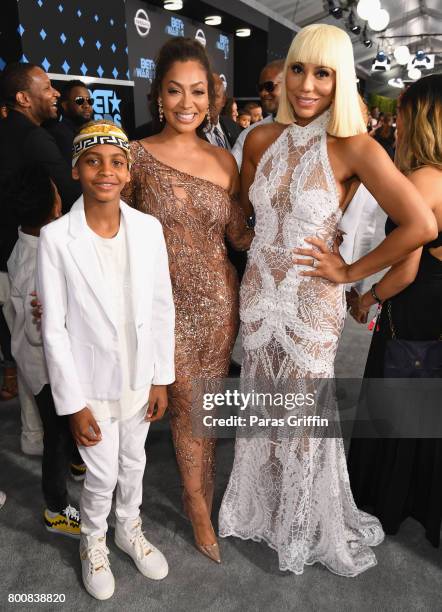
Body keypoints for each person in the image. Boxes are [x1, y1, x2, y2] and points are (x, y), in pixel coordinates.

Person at [219, 23, 436, 577]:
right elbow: (245, 216)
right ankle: (264, 513)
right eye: (297, 69)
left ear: (341, 81)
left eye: (323, 73)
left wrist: (350, 272)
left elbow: (417, 224)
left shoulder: (357, 147)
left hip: (313, 305)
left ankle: (302, 524)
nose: (306, 84)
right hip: (258, 297)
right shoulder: (262, 139)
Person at [122, 37, 253, 564]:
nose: (186, 102)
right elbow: (108, 232)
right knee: (184, 407)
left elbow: (240, 239)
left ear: (212, 97)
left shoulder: (225, 161)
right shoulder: (133, 157)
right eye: (174, 90)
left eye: (197, 91)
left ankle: (198, 488)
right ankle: (197, 501)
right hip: (162, 309)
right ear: (158, 96)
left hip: (221, 306)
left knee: (205, 409)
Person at [37, 120, 175, 600]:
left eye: (117, 162)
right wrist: (72, 403)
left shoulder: (148, 229)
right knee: (101, 472)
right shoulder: (57, 239)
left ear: (129, 172)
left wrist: (162, 377)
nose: (105, 171)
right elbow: (53, 327)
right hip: (89, 383)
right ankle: (93, 539)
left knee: (134, 461)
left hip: (139, 376)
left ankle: (127, 528)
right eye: (93, 161)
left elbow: (161, 305)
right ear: (76, 169)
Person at [347, 74, 442, 548]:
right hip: (434, 306)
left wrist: (367, 295)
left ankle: (386, 499)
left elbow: (404, 272)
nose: (396, 123)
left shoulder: (423, 182)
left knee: (399, 405)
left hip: (416, 307)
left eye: (403, 113)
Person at [5, 164, 81, 537]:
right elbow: (42, 333)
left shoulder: (25, 241)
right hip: (46, 368)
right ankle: (55, 508)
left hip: (34, 362)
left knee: (66, 427)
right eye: (56, 193)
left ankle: (78, 461)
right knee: (58, 434)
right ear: (54, 207)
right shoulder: (40, 260)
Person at [232, 59, 284, 169]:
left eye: (269, 86)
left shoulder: (313, 131)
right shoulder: (249, 134)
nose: (263, 93)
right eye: (260, 88)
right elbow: (231, 173)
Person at [45, 79, 94, 164]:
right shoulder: (57, 134)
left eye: (89, 100)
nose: (86, 105)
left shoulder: (95, 132)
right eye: (80, 100)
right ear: (65, 105)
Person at [204, 74, 242, 150]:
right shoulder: (191, 132)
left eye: (215, 96)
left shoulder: (233, 126)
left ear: (223, 100)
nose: (209, 101)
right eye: (205, 95)